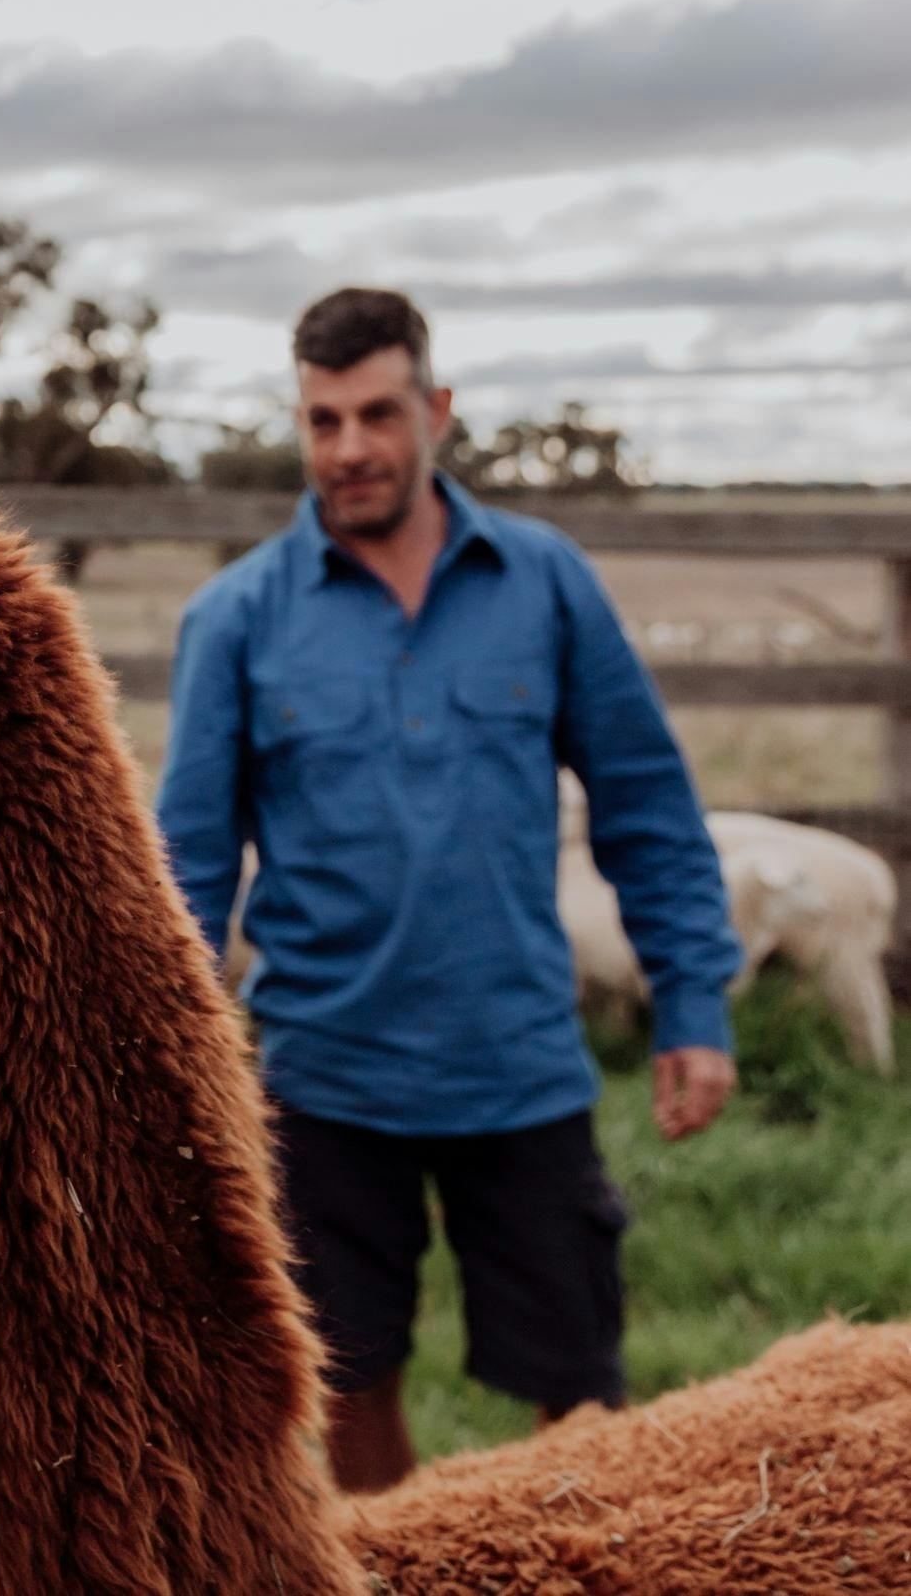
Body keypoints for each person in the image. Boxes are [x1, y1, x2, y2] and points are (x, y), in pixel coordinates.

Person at [154, 288, 740, 1494]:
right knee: (346, 1380)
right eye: (323, 419)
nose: (351, 447)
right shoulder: (236, 619)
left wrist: (692, 1002)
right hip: (325, 1076)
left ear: (437, 409)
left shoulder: (545, 583)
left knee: (581, 1394)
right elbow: (188, 874)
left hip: (517, 1060)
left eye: (377, 412)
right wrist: (161, 1070)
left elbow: (646, 802)